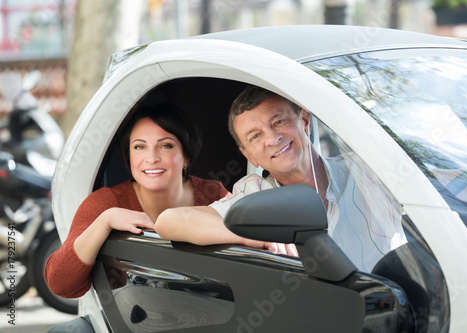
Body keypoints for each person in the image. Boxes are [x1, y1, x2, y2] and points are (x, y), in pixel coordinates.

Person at [155, 86, 407, 271]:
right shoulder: (253, 194)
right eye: (254, 136)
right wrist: (248, 234)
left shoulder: (366, 169)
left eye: (279, 121)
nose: (272, 138)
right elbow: (169, 221)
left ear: (305, 121)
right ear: (249, 156)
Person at [44, 103, 230, 298]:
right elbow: (59, 284)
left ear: (186, 157)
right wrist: (105, 220)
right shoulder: (106, 203)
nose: (151, 158)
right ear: (129, 156)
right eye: (139, 147)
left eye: (166, 146)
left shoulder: (213, 194)